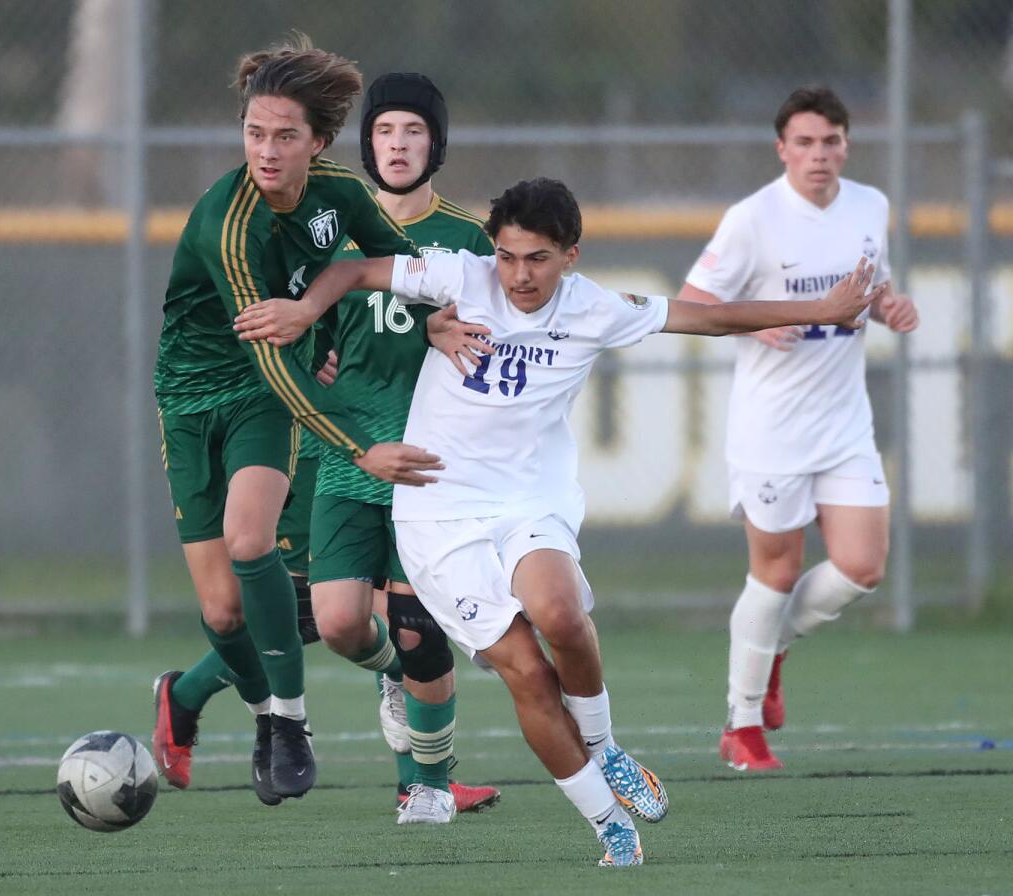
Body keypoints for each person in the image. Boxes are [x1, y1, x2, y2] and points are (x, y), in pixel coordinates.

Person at [234, 177, 886, 865]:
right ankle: (609, 823)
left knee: (561, 612)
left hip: (528, 503)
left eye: (538, 258)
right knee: (527, 674)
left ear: (571, 255)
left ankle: (605, 749)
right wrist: (306, 311)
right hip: (439, 514)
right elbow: (354, 268)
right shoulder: (461, 276)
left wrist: (825, 306)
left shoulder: (595, 309)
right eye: (509, 257)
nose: (520, 274)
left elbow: (710, 317)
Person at [150, 33, 443, 804]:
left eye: (285, 136)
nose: (267, 151)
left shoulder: (339, 195)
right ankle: (215, 703)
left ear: (318, 141)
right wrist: (360, 448)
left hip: (260, 398)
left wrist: (443, 314)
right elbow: (272, 346)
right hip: (189, 400)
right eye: (254, 133)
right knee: (220, 611)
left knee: (254, 542)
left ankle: (288, 722)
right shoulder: (231, 224)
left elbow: (401, 263)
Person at [676, 86, 920, 771]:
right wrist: (762, 316)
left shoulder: (870, 205)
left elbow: (872, 291)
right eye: (805, 142)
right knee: (776, 570)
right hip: (771, 429)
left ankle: (774, 647)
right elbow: (694, 303)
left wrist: (891, 309)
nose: (819, 155)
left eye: (831, 141)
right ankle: (742, 724)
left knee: (863, 567)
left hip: (844, 422)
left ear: (847, 145)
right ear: (781, 148)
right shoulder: (752, 219)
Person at [310, 72, 500, 823]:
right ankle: (395, 675)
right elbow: (310, 339)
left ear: (436, 145)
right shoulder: (335, 233)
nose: (397, 144)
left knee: (419, 632)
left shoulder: (466, 240)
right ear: (367, 143)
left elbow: (490, 346)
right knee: (339, 626)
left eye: (413, 131)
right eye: (385, 130)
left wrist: (450, 337)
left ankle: (427, 785)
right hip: (347, 460)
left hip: (428, 470)